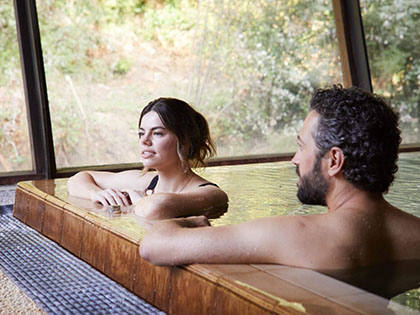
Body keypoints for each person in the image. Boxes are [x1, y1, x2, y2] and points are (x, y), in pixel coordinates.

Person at [139, 85, 420, 270]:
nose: (294, 160)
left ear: (334, 161)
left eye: (301, 147)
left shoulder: (293, 235)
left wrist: (190, 221)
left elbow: (154, 246)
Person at [67, 97, 228, 220]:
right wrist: (96, 194)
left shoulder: (211, 193)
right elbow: (77, 179)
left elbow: (155, 208)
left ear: (185, 142)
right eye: (141, 133)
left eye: (157, 133)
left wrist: (137, 199)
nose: (144, 141)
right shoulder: (146, 182)